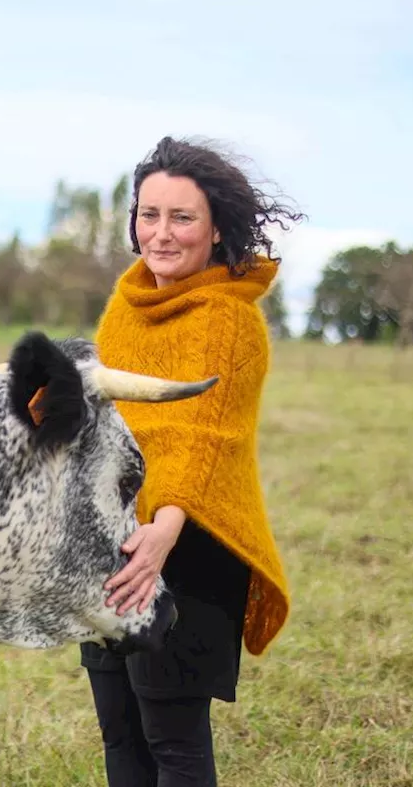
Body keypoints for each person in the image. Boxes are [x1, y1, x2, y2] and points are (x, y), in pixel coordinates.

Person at [81, 135, 305, 786]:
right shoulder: (125, 308)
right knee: (119, 730)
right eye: (150, 215)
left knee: (172, 739)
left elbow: (206, 438)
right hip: (115, 540)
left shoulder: (230, 321)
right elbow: (98, 413)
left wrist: (162, 536)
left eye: (182, 217)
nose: (162, 232)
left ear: (215, 231)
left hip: (189, 545)